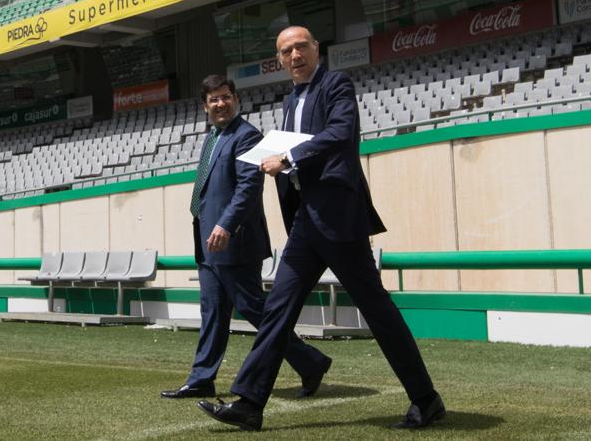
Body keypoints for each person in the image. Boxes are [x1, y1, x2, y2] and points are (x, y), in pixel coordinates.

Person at [199, 26, 445, 431]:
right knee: (277, 309)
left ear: (316, 49)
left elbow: (339, 133)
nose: (294, 55)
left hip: (338, 219)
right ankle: (249, 402)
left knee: (377, 311)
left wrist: (287, 158)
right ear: (279, 61)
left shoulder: (336, 84)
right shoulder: (291, 97)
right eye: (285, 51)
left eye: (301, 47)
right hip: (304, 224)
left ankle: (426, 399)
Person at [161, 74, 332, 400]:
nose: (220, 104)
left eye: (226, 97)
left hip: (234, 242)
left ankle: (310, 362)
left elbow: (248, 188)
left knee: (255, 310)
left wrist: (225, 225)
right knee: (211, 311)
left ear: (235, 99)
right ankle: (201, 378)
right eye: (214, 99)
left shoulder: (246, 135)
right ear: (205, 105)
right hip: (208, 243)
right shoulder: (212, 136)